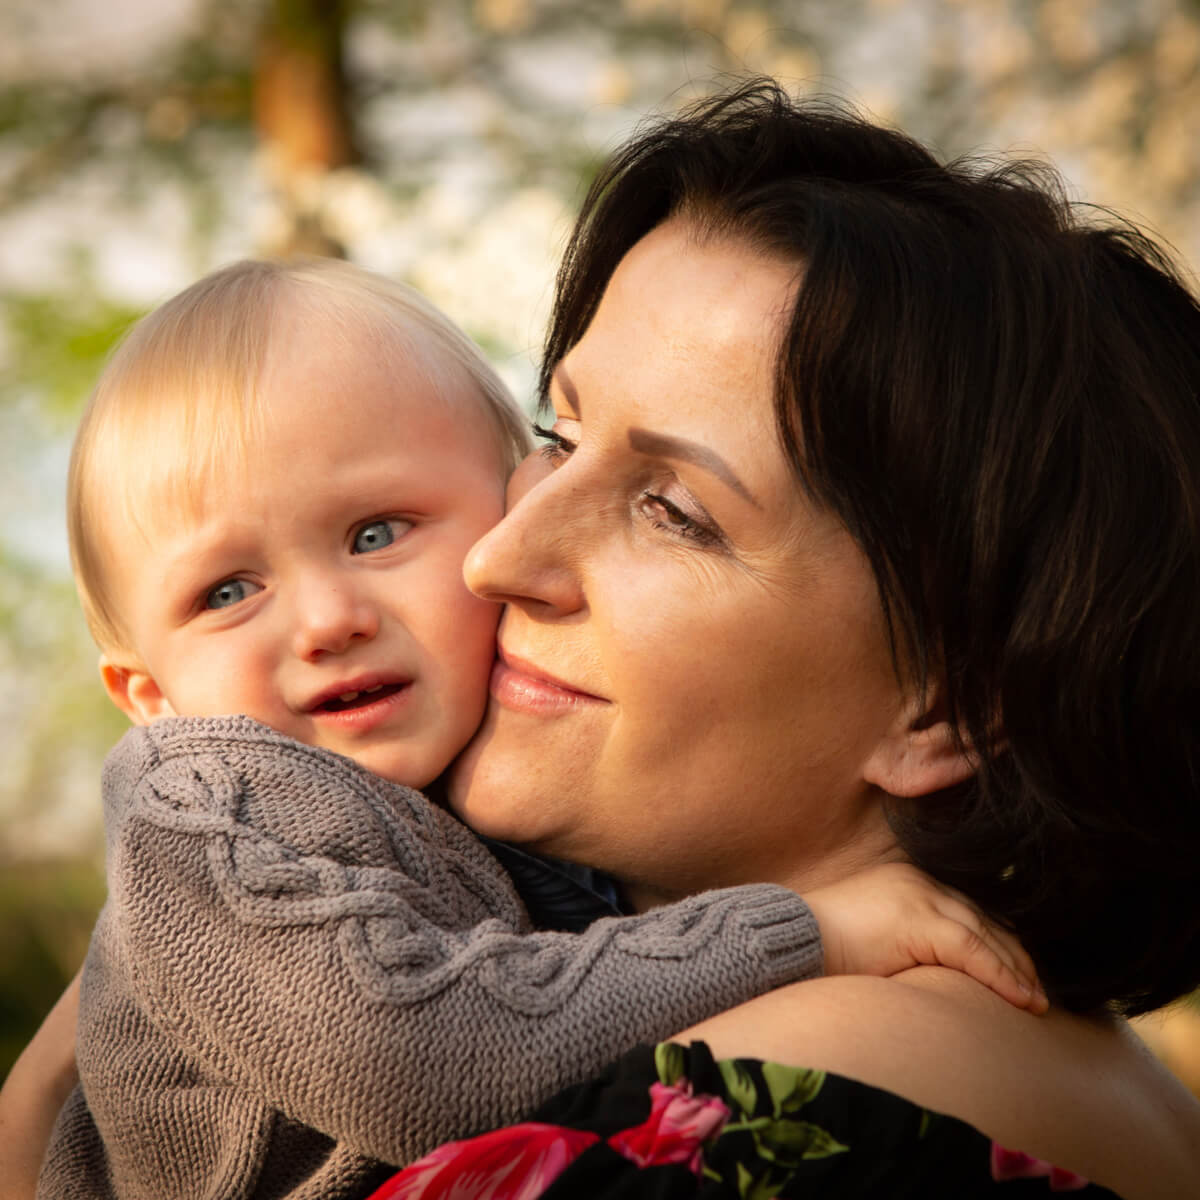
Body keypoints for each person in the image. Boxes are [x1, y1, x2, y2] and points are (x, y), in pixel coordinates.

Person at [13, 257, 1038, 1200]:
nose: (329, 619)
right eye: (229, 590)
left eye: (378, 533)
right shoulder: (215, 805)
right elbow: (410, 1057)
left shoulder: (474, 812)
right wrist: (808, 931)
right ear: (146, 695)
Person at [361, 82, 1200, 1197]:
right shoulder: (1073, 1082)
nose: (498, 557)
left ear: (951, 706)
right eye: (558, 434)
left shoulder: (758, 1114)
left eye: (674, 512)